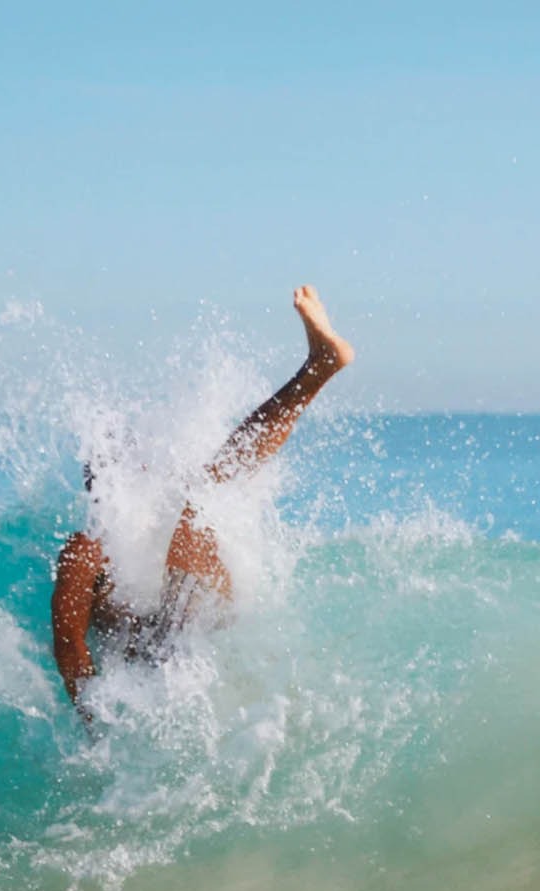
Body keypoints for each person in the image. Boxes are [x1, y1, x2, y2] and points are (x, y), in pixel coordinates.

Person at [51, 285, 353, 712]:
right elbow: (69, 649)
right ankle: (316, 369)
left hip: (195, 622)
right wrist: (93, 728)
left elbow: (69, 649)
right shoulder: (86, 553)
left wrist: (91, 724)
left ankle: (317, 368)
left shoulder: (102, 544)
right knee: (202, 501)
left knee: (202, 501)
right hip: (173, 639)